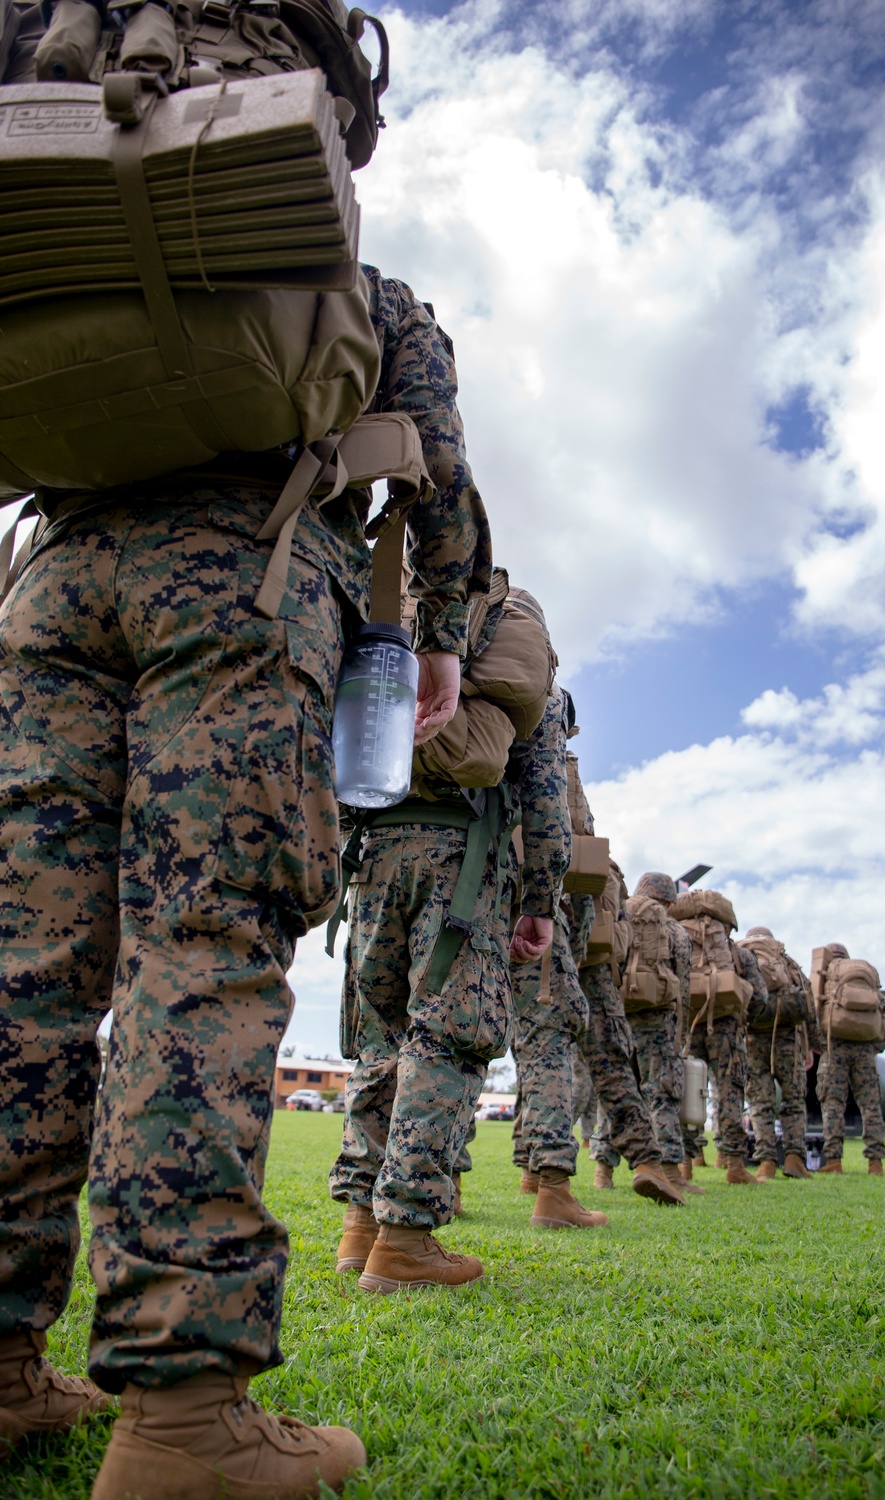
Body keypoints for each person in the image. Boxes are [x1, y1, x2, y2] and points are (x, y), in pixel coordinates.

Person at [0, 257, 489, 1495]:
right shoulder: (347, 274)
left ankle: (1, 1369)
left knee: (24, 981)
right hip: (244, 568)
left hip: (50, 582)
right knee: (201, 956)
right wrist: (441, 631)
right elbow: (434, 456)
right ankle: (183, 1417)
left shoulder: (63, 205)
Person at [329, 569, 546, 1293]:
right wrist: (540, 895)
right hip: (461, 856)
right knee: (447, 1038)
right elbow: (539, 785)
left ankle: (359, 1227)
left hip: (373, 853)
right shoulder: (510, 633)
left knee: (379, 1036)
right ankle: (406, 1239)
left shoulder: (382, 613)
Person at [514, 718, 687, 1226]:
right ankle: (637, 1164)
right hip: (557, 926)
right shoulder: (554, 765)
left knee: (460, 1040)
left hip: (481, 907)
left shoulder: (480, 738)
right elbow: (575, 844)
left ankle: (463, 1180)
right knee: (602, 1055)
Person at [588, 873, 702, 1197]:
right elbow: (683, 989)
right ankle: (668, 1172)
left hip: (620, 1013)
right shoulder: (675, 931)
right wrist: (681, 1034)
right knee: (661, 1092)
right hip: (657, 1020)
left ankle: (603, 1171)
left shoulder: (618, 913)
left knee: (618, 1092)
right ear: (668, 901)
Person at [678, 892, 767, 1185]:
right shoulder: (736, 953)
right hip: (727, 1031)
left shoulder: (679, 944)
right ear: (726, 924)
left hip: (688, 1028)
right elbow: (760, 997)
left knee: (687, 1091)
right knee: (729, 1093)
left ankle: (685, 1164)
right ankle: (734, 1165)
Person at [738, 926, 823, 1180]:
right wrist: (814, 1044)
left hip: (753, 1041)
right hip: (787, 1038)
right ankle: (795, 1159)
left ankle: (765, 1162)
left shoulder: (741, 959)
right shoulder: (786, 961)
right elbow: (808, 1002)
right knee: (793, 1100)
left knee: (760, 1102)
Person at [815, 944, 885, 1175]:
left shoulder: (827, 983)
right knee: (870, 1105)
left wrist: (820, 1043)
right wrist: (877, 1045)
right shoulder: (863, 980)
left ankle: (833, 1161)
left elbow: (812, 1013)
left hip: (834, 1048)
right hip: (864, 1050)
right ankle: (875, 1162)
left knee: (832, 1104)